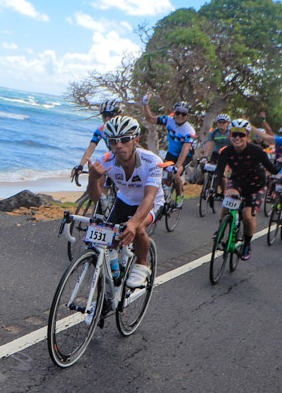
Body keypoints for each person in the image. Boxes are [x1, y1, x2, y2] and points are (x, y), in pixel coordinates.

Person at [85, 115, 162, 290]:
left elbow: (149, 197)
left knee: (138, 227)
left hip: (151, 203)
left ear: (135, 140)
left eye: (125, 139)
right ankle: (111, 287)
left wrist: (134, 222)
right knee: (104, 245)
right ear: (108, 143)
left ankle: (142, 264)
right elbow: (97, 197)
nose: (119, 145)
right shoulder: (105, 162)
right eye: (113, 141)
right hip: (124, 200)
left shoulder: (152, 162)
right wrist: (93, 179)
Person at [215, 119, 278, 260]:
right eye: (234, 134)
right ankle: (221, 228)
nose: (237, 138)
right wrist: (213, 190)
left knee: (247, 215)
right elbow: (219, 172)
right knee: (228, 199)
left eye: (241, 135)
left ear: (247, 137)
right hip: (237, 182)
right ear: (230, 136)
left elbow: (272, 169)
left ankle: (247, 243)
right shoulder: (226, 152)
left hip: (256, 185)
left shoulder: (257, 150)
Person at [141, 95, 196, 207]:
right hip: (171, 153)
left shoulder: (189, 130)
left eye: (183, 114)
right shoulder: (168, 120)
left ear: (188, 116)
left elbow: (185, 149)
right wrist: (145, 104)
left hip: (185, 156)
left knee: (175, 175)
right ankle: (165, 197)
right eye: (177, 113)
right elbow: (150, 119)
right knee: (166, 177)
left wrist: (178, 166)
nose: (180, 116)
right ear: (174, 113)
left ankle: (180, 195)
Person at [72, 99, 122, 180]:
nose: (107, 118)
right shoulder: (100, 130)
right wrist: (80, 166)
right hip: (111, 155)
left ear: (119, 115)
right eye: (104, 115)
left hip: (125, 156)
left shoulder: (126, 128)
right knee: (95, 170)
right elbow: (91, 147)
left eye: (110, 115)